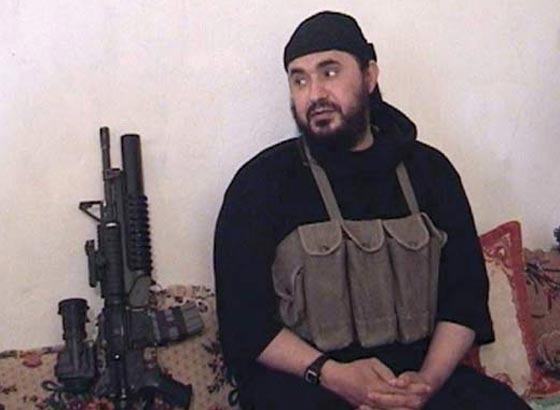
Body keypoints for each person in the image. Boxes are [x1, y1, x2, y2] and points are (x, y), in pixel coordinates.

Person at [214, 11, 530, 410]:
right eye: (299, 80)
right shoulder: (260, 184)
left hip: (418, 381)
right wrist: (333, 375)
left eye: (330, 72)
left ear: (369, 75)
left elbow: (464, 300)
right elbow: (245, 323)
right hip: (311, 384)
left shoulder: (431, 172)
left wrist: (425, 383)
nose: (314, 93)